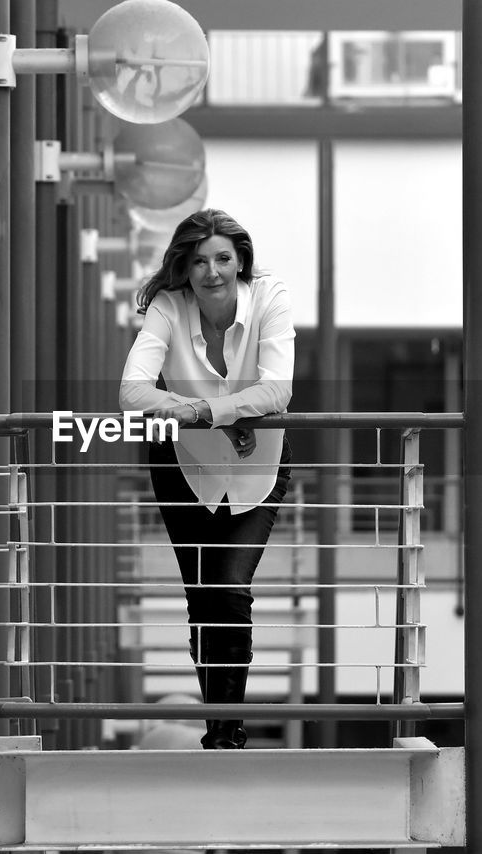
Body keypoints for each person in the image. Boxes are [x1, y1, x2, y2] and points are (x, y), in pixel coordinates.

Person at [120, 209, 294, 750]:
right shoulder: (169, 308)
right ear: (184, 266)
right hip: (182, 468)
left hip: (257, 471)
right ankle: (218, 726)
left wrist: (213, 414)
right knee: (201, 596)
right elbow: (132, 392)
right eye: (198, 260)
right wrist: (211, 414)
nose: (212, 271)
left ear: (240, 259)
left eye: (222, 258)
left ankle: (227, 729)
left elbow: (277, 391)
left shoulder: (270, 298)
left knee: (229, 589)